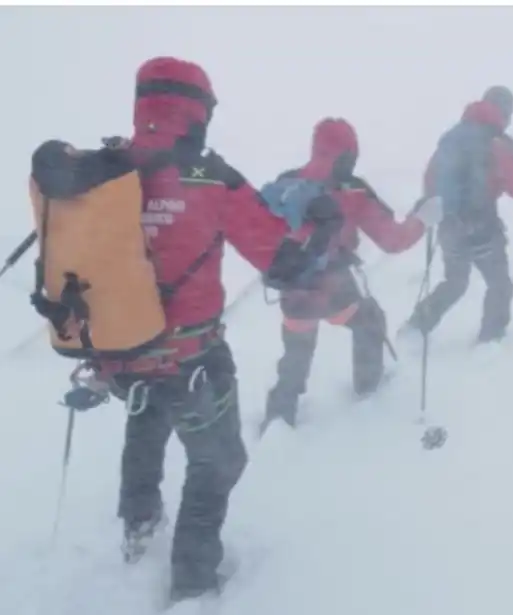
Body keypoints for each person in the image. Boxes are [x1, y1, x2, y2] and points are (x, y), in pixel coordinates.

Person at [30, 57, 322, 604]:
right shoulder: (210, 177)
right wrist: (316, 255)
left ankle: (139, 526)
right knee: (218, 461)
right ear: (197, 110)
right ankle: (191, 580)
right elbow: (279, 258)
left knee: (147, 422)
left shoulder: (105, 168)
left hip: (121, 352)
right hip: (191, 358)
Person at [259, 117, 442, 432]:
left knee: (297, 351)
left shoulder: (288, 182)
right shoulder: (353, 191)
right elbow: (392, 240)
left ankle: (279, 416)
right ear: (347, 155)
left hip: (293, 291)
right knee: (369, 321)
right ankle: (368, 389)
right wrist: (422, 220)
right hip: (333, 288)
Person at [401, 86, 513, 344]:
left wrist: (441, 213)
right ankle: (491, 338)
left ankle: (417, 326)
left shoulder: (452, 137)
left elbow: (430, 180)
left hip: (449, 226)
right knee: (499, 284)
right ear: (505, 112)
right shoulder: (497, 142)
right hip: (483, 227)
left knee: (455, 282)